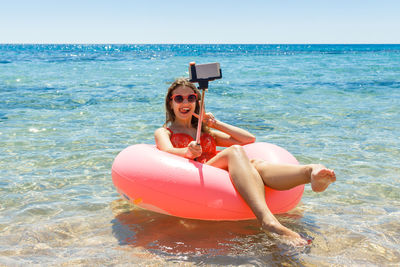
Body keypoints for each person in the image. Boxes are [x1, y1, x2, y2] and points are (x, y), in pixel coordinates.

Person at [154, 78, 336, 246]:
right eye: (179, 98)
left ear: (197, 102)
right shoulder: (165, 131)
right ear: (170, 102)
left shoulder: (206, 132)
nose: (185, 103)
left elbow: (248, 139)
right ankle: (268, 221)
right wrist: (187, 151)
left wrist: (214, 123)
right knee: (234, 152)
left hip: (218, 175)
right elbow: (167, 151)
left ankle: (310, 172)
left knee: (255, 164)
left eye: (191, 98)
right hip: (195, 175)